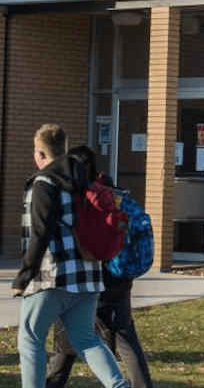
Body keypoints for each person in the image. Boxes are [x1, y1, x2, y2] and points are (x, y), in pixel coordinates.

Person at [12, 125, 130, 388]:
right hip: (88, 277)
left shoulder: (43, 182)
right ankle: (119, 386)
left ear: (40, 152)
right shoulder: (85, 179)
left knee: (30, 339)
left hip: (52, 277)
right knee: (86, 339)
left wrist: (23, 277)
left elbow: (40, 233)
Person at [46, 145, 154, 388]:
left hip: (84, 280)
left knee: (65, 343)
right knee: (125, 337)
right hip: (119, 278)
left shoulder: (79, 197)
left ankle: (53, 384)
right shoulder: (114, 194)